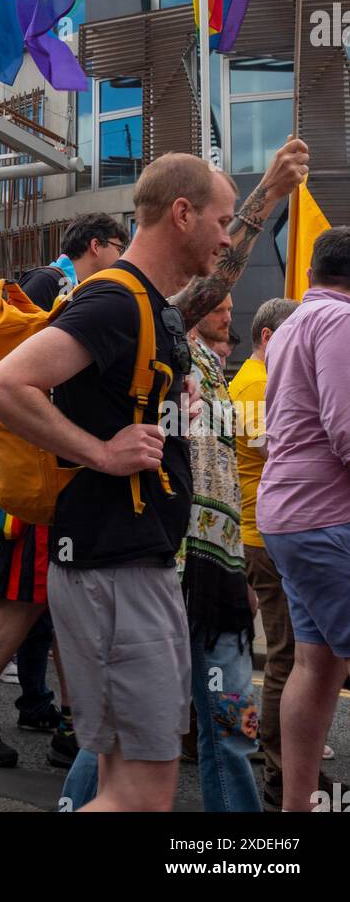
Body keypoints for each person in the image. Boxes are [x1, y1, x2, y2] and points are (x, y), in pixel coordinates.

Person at [0, 141, 308, 812]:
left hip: (141, 565)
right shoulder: (116, 302)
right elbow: (2, 386)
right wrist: (100, 452)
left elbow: (217, 281)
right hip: (118, 566)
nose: (225, 239)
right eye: (219, 221)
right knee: (143, 790)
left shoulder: (154, 309)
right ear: (181, 214)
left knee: (124, 777)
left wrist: (266, 195)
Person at [0, 213, 129, 770]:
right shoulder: (50, 287)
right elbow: (12, 386)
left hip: (53, 472)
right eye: (120, 246)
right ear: (96, 245)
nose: (124, 257)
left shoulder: (71, 289)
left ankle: (69, 723)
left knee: (54, 600)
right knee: (26, 597)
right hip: (36, 475)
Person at [257, 227, 350, 812]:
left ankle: (296, 812)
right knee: (317, 663)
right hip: (326, 516)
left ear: (312, 273)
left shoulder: (291, 324)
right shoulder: (340, 322)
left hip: (290, 515)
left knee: (316, 663)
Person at [183, 295, 261, 812]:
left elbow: (227, 466)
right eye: (219, 304)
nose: (229, 314)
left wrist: (240, 570)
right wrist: (261, 211)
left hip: (223, 568)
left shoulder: (214, 364)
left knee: (233, 720)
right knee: (135, 725)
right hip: (168, 564)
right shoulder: (163, 346)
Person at [230, 297, 299, 810]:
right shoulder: (256, 384)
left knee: (295, 655)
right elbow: (279, 451)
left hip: (265, 530)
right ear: (270, 337)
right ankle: (282, 768)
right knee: (288, 657)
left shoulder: (261, 380)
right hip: (265, 534)